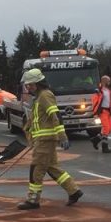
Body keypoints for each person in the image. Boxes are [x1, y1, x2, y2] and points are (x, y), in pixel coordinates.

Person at [18, 68, 82, 210]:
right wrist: (28, 128)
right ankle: (74, 191)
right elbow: (37, 118)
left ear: (38, 83)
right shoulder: (39, 97)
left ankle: (33, 200)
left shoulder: (45, 95)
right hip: (42, 140)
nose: (28, 87)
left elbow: (55, 116)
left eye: (30, 85)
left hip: (45, 140)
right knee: (52, 169)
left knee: (36, 170)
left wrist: (63, 137)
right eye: (27, 85)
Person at [90, 75, 111, 153]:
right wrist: (95, 112)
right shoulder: (98, 91)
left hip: (109, 112)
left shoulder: (109, 90)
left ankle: (95, 140)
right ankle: (105, 147)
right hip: (103, 111)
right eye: (108, 81)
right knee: (106, 128)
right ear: (104, 81)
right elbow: (95, 102)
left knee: (109, 129)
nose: (110, 82)